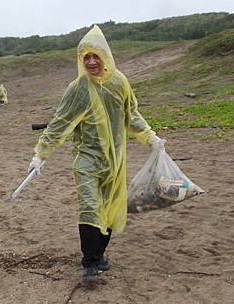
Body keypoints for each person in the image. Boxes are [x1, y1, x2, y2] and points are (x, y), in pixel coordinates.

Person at [28, 25, 164, 288]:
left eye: (95, 56)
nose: (90, 61)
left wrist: (150, 137)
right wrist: (41, 155)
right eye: (85, 57)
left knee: (110, 209)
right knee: (90, 207)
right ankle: (89, 264)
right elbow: (59, 123)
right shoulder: (77, 88)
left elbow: (131, 114)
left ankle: (99, 254)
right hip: (86, 159)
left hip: (114, 160)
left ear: (105, 55)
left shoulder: (119, 82)